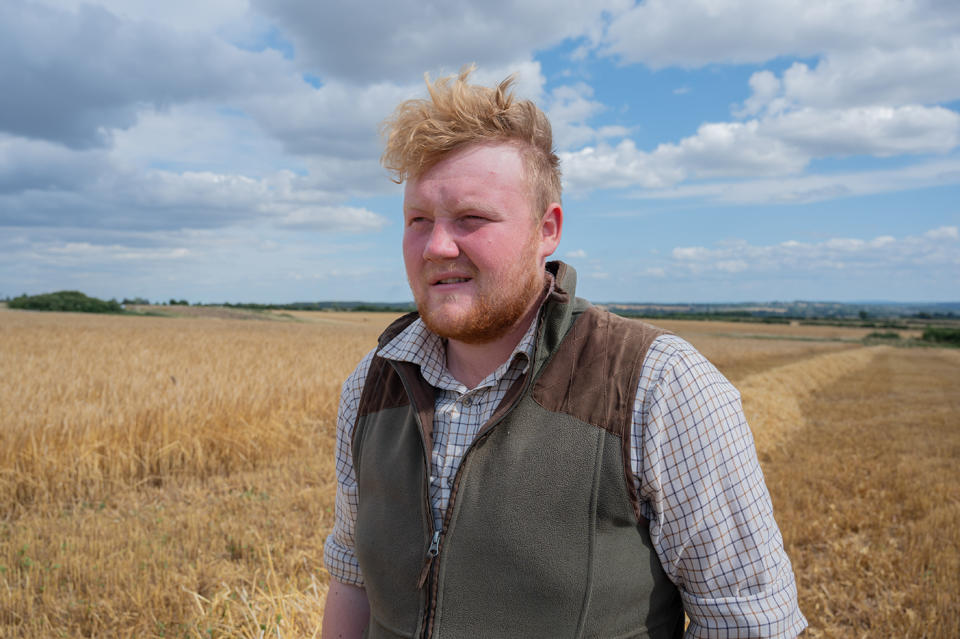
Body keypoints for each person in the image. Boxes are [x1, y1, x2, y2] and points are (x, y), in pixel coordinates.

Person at [322, 67, 807, 639]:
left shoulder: (657, 385)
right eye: (418, 220)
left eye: (471, 219)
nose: (436, 247)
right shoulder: (374, 384)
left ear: (547, 230)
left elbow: (748, 624)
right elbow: (353, 577)